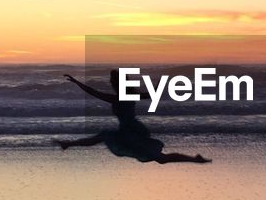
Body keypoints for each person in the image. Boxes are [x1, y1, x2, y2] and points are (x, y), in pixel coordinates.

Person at [54, 69, 211, 164]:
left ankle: (194, 159)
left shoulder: (119, 98)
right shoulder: (130, 95)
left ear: (117, 83)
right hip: (132, 130)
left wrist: (76, 82)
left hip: (130, 132)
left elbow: (93, 92)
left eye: (112, 80)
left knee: (160, 158)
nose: (110, 82)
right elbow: (153, 92)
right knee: (160, 159)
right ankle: (194, 159)